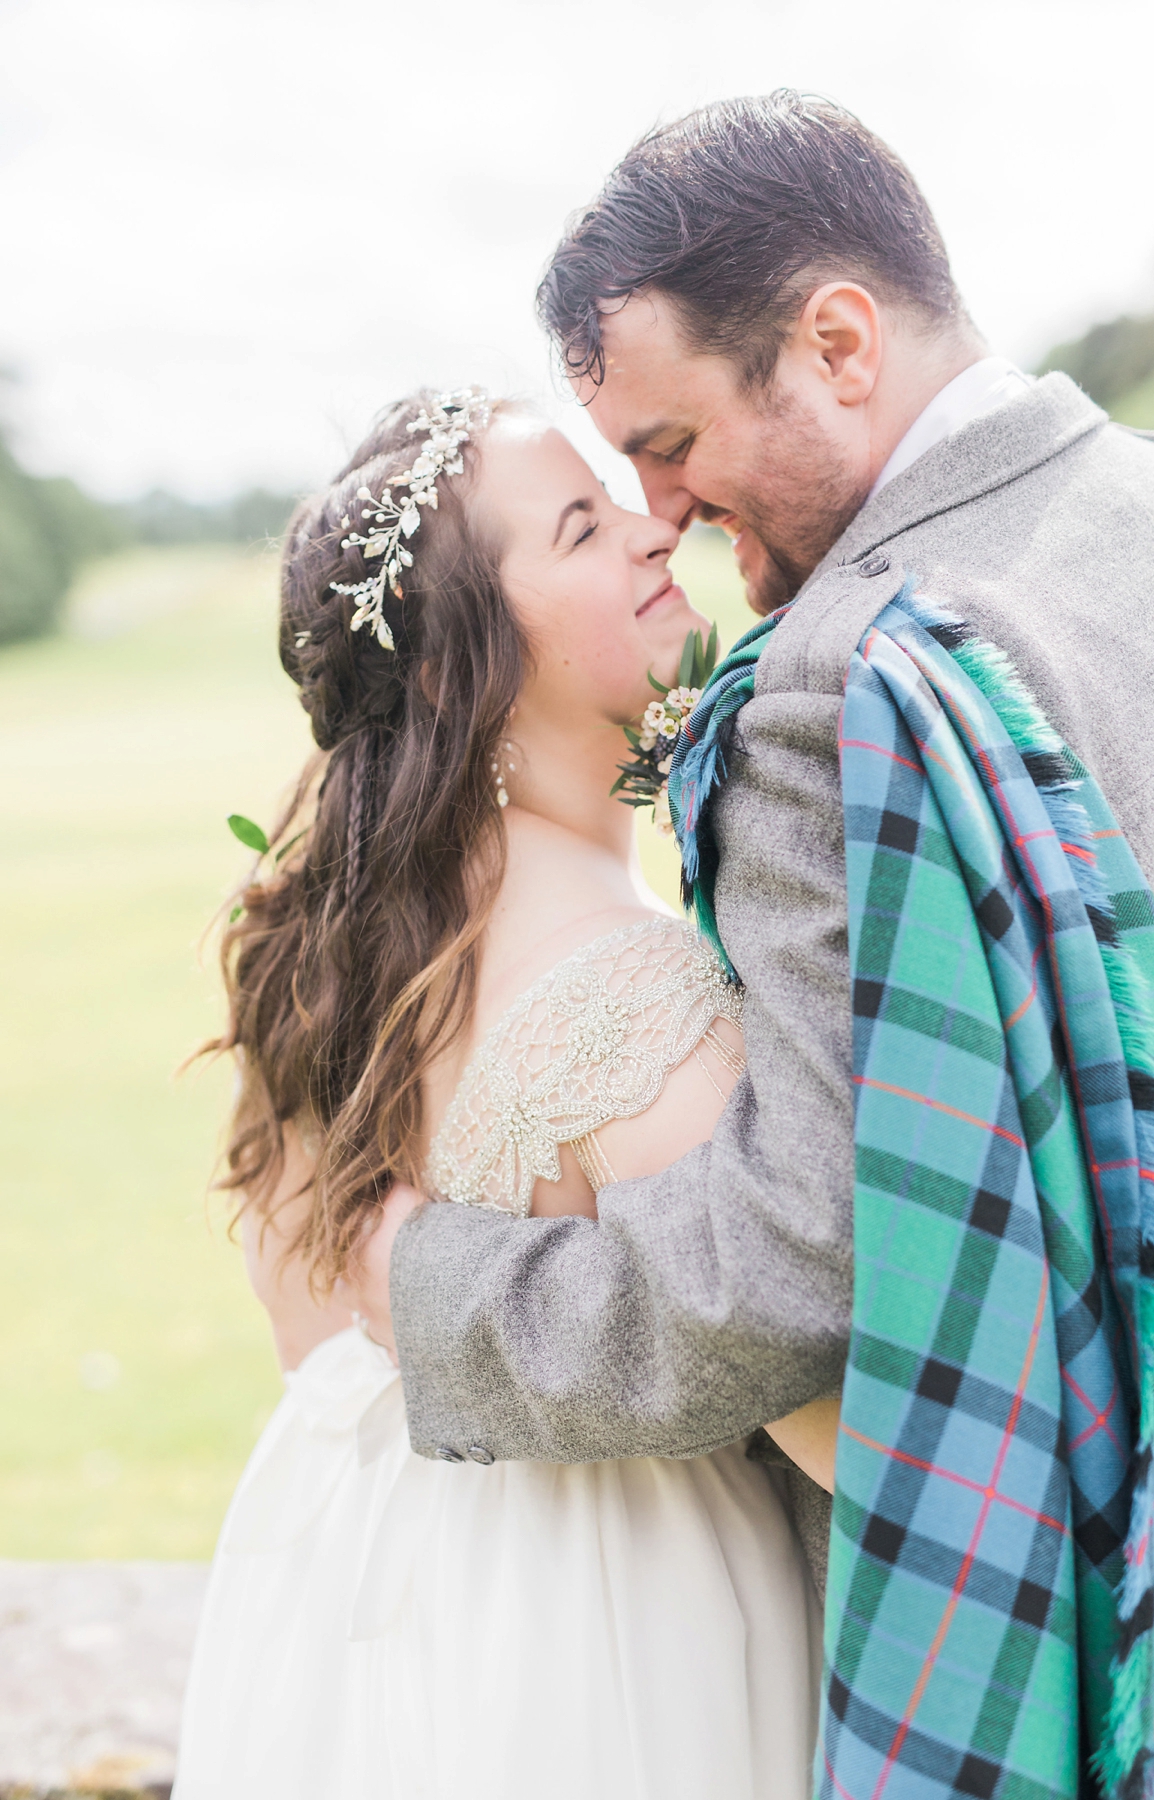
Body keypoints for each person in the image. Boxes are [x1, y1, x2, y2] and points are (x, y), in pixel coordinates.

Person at [357, 91, 1154, 1784]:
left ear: (834, 342)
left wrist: (424, 1285)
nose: (661, 510)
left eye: (669, 445)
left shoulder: (850, 677)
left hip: (1083, 1616)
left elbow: (808, 1263)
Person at [172, 390, 824, 1799]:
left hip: (361, 1586)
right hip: (623, 1622)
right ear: (469, 667)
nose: (660, 531)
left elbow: (312, 1333)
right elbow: (816, 1398)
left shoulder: (332, 936)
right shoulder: (626, 992)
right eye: (587, 526)